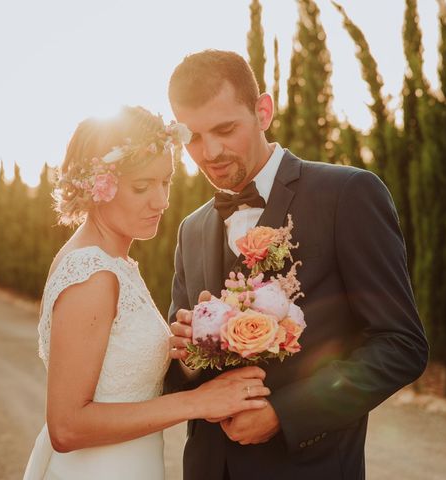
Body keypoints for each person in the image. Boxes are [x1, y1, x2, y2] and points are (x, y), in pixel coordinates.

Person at [166, 50, 429, 479]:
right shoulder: (191, 229)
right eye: (192, 137)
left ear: (263, 111)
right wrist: (186, 359)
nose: (209, 151)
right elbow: (181, 374)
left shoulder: (348, 195)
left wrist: (284, 415)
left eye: (225, 129)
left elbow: (401, 345)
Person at [23, 106, 271, 480]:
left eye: (166, 182)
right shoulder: (93, 274)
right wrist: (197, 402)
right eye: (142, 186)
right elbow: (67, 426)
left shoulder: (113, 262)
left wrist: (192, 353)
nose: (162, 201)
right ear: (98, 187)